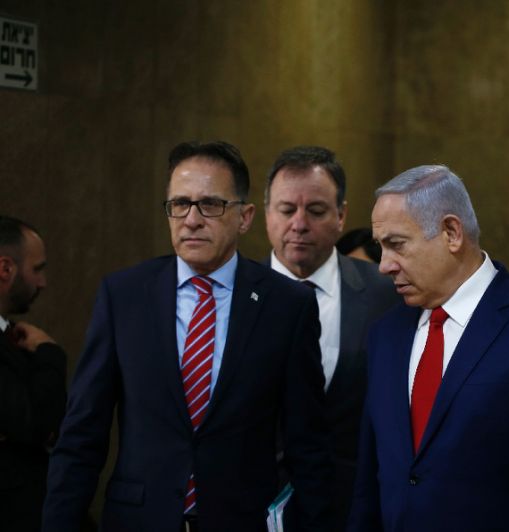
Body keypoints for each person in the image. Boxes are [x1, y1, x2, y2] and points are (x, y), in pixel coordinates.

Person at [43, 141, 331, 532]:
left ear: (245, 217)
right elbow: (81, 434)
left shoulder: (286, 306)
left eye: (210, 204)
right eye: (179, 204)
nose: (191, 219)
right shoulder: (124, 296)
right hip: (139, 519)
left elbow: (308, 445)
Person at [348, 165, 509, 531]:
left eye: (396, 244)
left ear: (452, 233)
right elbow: (370, 480)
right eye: (380, 248)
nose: (384, 266)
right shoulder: (386, 334)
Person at [264, 145, 399, 530]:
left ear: (341, 215)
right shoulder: (235, 297)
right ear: (263, 215)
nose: (299, 224)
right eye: (287, 210)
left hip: (354, 511)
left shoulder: (387, 294)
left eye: (317, 211)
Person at [0, 216, 66, 532]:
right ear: (6, 269)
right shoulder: (36, 349)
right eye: (37, 269)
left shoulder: (12, 335)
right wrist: (50, 354)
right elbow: (36, 425)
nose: (43, 282)